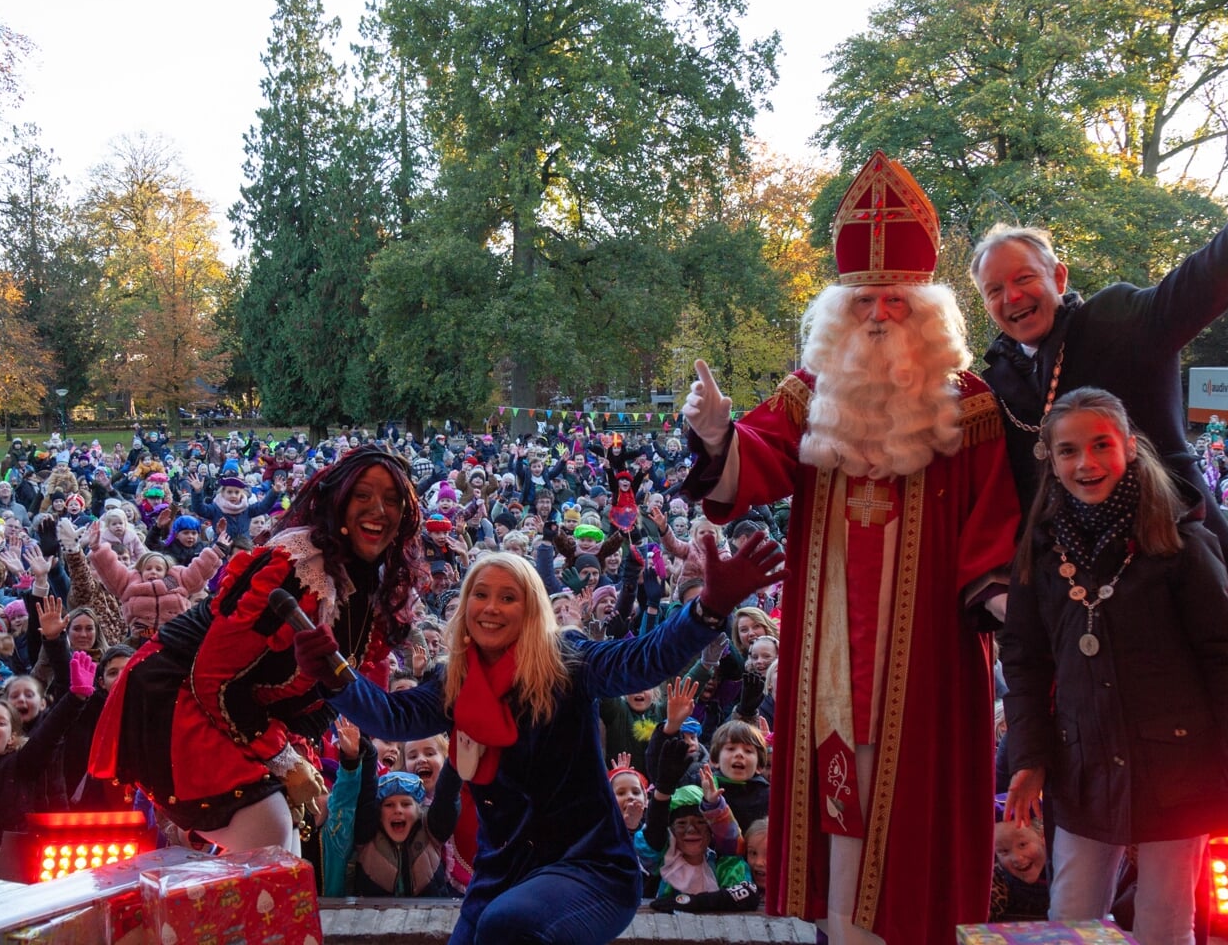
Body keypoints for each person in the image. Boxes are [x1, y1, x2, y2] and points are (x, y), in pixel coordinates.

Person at [678, 150, 1021, 944]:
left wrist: (1000, 597)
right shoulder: (810, 392)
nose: (876, 314)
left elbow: (993, 520)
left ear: (926, 309)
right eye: (861, 299)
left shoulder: (971, 409)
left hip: (929, 654)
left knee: (913, 809)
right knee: (840, 813)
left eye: (893, 300)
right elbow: (755, 457)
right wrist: (713, 433)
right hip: (827, 649)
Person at [973, 32, 1228, 635]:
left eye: (1024, 279)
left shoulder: (1121, 320)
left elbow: (1217, 263)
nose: (1012, 298)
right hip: (1063, 581)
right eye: (994, 291)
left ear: (1058, 276)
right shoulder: (996, 380)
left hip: (1165, 555)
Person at [298, 535, 784, 944]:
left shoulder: (566, 660)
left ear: (531, 608)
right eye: (480, 594)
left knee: (509, 926)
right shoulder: (452, 680)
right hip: (502, 871)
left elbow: (644, 659)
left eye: (508, 597)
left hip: (589, 869)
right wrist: (333, 673)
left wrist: (708, 610)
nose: (491, 607)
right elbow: (390, 718)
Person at [1000, 389, 1228, 945]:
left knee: (1167, 921)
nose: (1086, 463)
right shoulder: (1041, 550)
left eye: (1101, 445)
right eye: (1069, 450)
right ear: (1050, 459)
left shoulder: (1184, 544)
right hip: (1083, 763)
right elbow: (1023, 664)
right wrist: (1030, 757)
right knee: (1070, 919)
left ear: (1130, 448)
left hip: (1179, 766)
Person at [88, 449, 423, 854]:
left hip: (244, 712)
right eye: (363, 496)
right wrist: (283, 761)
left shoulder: (377, 584)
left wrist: (297, 758)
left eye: (392, 499)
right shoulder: (296, 567)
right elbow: (213, 679)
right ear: (339, 502)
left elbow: (338, 695)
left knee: (292, 833)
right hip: (179, 698)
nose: (378, 510)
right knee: (270, 828)